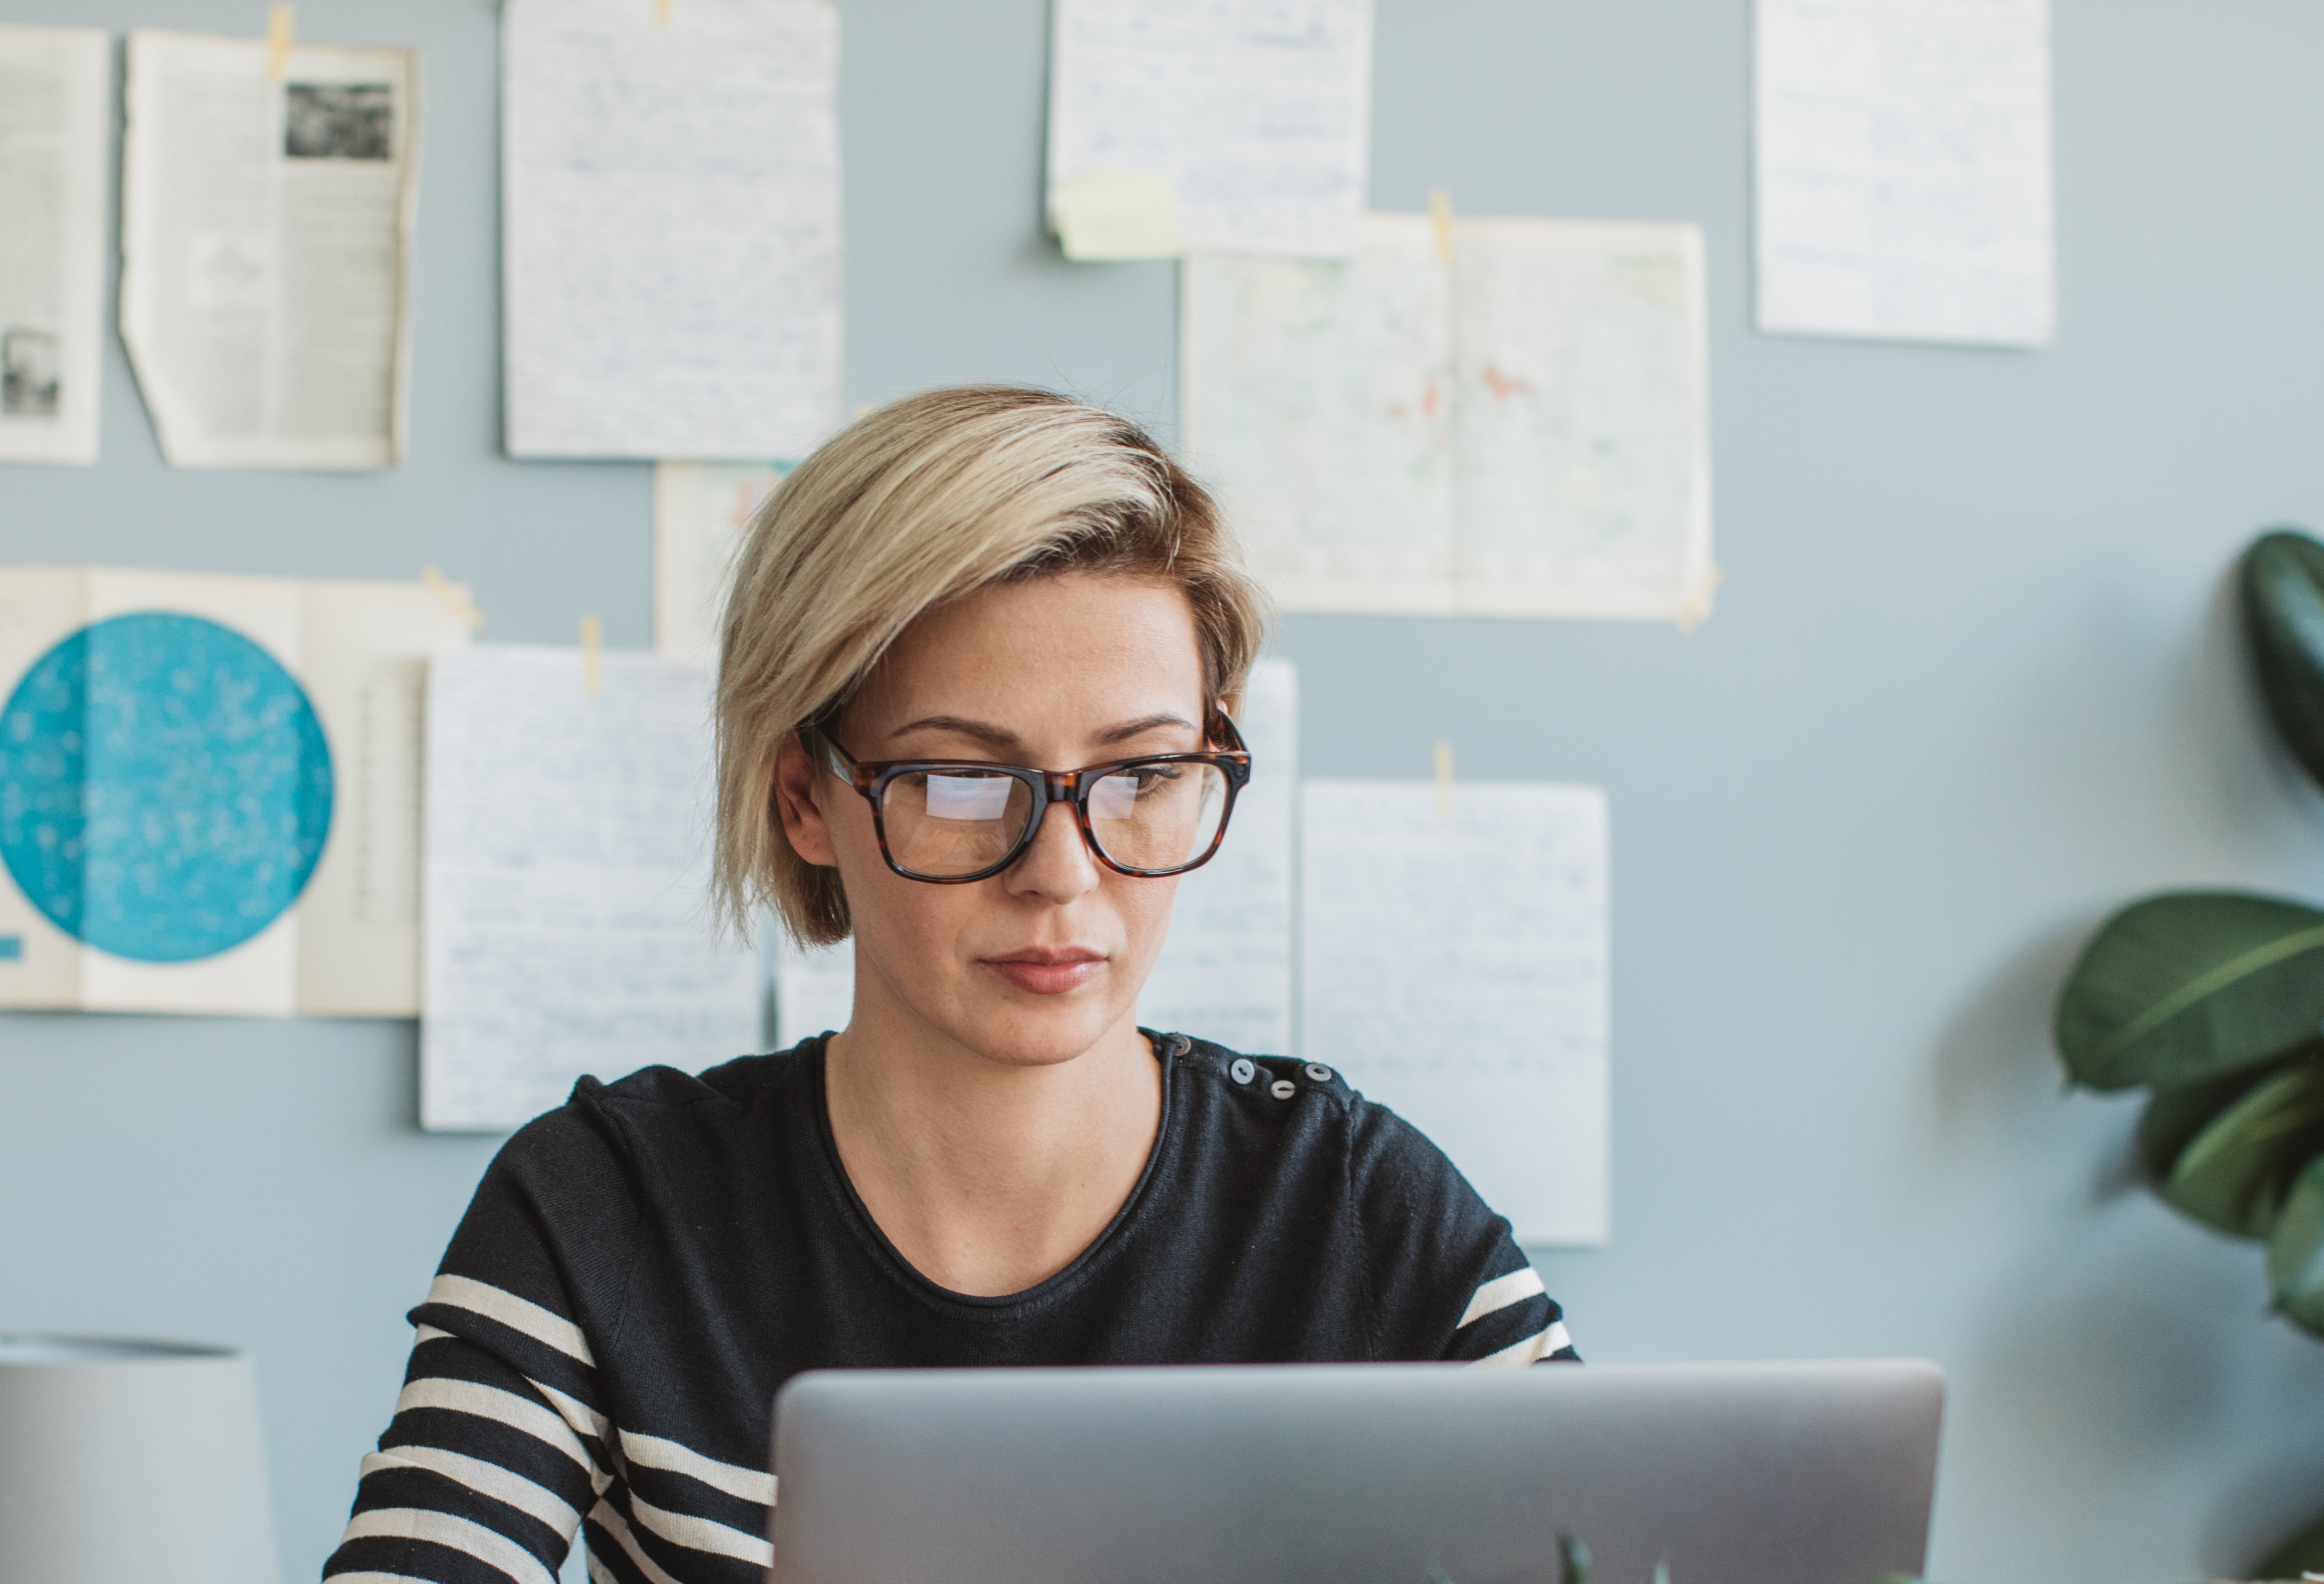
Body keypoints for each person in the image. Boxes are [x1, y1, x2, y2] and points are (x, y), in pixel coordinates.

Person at [323, 387, 1576, 1584]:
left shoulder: (1355, 1208)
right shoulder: (605, 1207)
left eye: (1141, 775)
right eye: (962, 782)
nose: (1060, 873)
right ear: (805, 795)